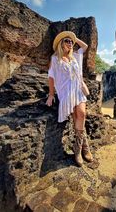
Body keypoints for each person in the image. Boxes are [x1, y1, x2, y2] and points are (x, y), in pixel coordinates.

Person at [46, 31, 93, 166]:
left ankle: (78, 149)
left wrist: (75, 38)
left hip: (78, 89)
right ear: (61, 43)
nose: (70, 43)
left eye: (71, 42)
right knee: (75, 118)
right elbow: (51, 77)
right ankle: (83, 148)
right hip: (65, 92)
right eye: (67, 41)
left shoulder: (75, 57)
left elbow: (84, 47)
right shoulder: (55, 59)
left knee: (82, 114)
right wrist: (51, 94)